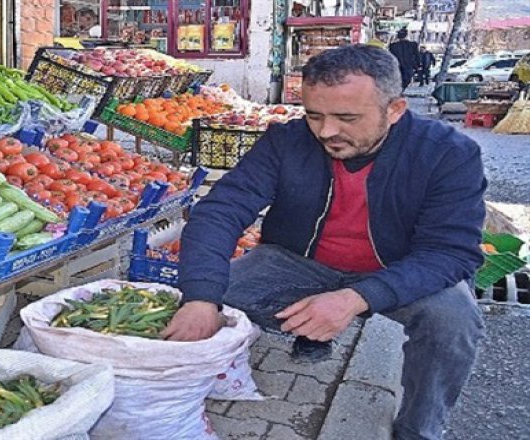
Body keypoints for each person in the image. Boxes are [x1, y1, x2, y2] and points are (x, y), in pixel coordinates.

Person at [163, 45, 486, 440]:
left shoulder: (448, 153)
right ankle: (306, 333)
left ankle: (419, 428)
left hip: (398, 269)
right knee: (212, 290)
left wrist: (353, 299)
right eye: (314, 115)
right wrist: (200, 298)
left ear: (396, 109)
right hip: (301, 262)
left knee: (453, 321)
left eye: (347, 117)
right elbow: (220, 211)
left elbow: (451, 253)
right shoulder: (286, 141)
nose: (326, 132)